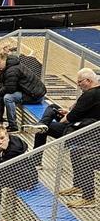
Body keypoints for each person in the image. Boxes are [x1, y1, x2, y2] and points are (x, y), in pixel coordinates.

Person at [33, 69, 100, 204]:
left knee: (45, 129)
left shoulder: (90, 95)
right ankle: (79, 185)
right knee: (53, 108)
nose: (78, 85)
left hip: (80, 130)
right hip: (82, 125)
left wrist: (65, 116)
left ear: (88, 81)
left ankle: (35, 158)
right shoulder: (91, 93)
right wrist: (68, 112)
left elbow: (70, 118)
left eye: (80, 82)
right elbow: (78, 111)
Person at [0, 49, 46, 130]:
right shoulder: (7, 67)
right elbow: (2, 83)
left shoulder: (12, 70)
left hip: (35, 96)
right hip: (29, 92)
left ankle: (13, 125)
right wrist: (0, 92)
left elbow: (10, 88)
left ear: (4, 60)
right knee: (2, 95)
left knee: (8, 98)